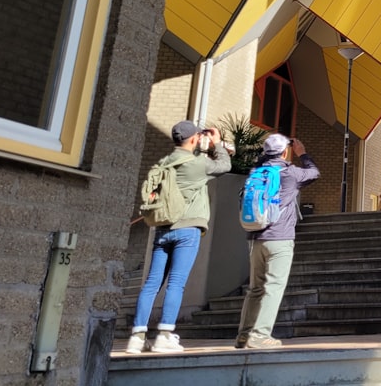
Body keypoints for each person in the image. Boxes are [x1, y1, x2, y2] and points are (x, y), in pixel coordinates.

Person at [127, 121, 233, 354]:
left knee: (152, 283)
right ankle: (164, 335)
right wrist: (217, 144)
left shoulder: (164, 163)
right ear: (195, 139)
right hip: (187, 229)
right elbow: (224, 166)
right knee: (176, 283)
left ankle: (137, 336)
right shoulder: (198, 164)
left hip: (163, 228)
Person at [235, 133, 319, 349]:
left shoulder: (255, 172)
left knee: (255, 289)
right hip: (280, 238)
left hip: (255, 238)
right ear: (285, 151)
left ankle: (244, 335)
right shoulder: (289, 173)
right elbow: (314, 173)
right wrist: (303, 154)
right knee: (273, 286)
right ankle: (260, 335)